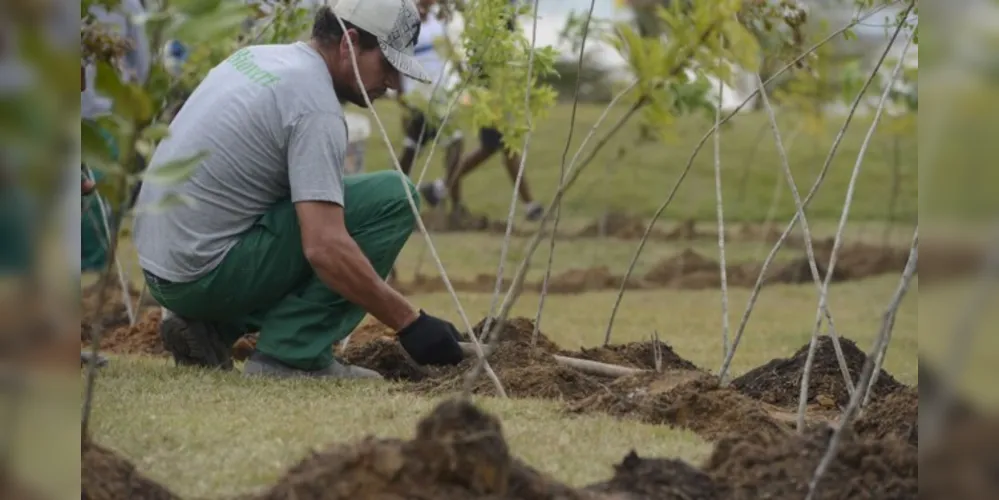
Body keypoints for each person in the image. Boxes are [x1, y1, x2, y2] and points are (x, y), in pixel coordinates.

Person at [131, 0, 466, 379]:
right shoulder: (315, 107)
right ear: (349, 43)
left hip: (164, 268)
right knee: (393, 197)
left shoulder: (258, 58)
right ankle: (292, 354)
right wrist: (411, 324)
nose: (392, 83)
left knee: (314, 205)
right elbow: (325, 248)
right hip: (203, 273)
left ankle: (208, 329)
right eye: (387, 65)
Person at [417, 0, 543, 222]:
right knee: (506, 145)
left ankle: (439, 187)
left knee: (493, 146)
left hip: (498, 88)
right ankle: (530, 204)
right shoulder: (488, 13)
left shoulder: (496, 12)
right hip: (491, 92)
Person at [394, 0, 463, 179]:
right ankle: (396, 193)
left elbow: (449, 51)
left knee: (454, 143)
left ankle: (448, 197)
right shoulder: (405, 23)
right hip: (418, 99)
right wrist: (401, 95)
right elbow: (397, 62)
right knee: (412, 149)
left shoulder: (436, 21)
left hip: (440, 95)